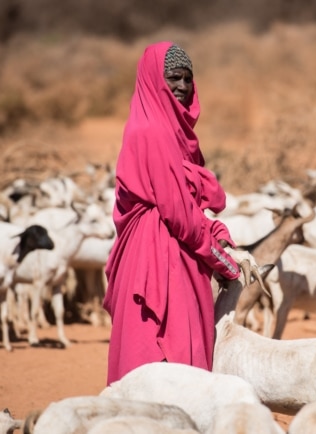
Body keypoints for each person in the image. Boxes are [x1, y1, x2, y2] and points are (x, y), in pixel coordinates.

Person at [102, 41, 241, 385]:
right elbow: (177, 212)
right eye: (173, 78)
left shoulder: (170, 130)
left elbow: (184, 205)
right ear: (154, 81)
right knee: (165, 354)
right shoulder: (154, 132)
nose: (182, 87)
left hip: (169, 246)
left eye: (187, 79)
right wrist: (220, 256)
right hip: (160, 255)